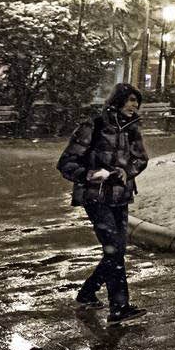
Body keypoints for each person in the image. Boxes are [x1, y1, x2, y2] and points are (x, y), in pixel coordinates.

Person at [57, 83, 150, 324]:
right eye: (130, 100)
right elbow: (66, 162)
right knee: (114, 249)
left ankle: (87, 292)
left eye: (136, 101)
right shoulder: (94, 125)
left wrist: (125, 171)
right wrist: (89, 174)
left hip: (121, 196)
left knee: (116, 250)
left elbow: (141, 159)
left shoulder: (132, 128)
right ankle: (119, 308)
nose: (134, 105)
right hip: (96, 197)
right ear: (118, 101)